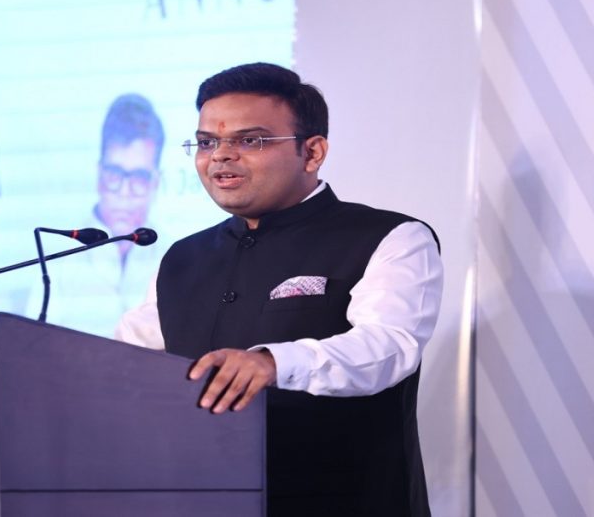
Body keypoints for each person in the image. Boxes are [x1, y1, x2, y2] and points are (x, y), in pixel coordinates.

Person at [115, 63, 443, 516]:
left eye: (250, 141)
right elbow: (125, 360)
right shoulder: (182, 258)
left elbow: (389, 347)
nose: (221, 156)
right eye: (207, 142)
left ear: (312, 152)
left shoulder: (390, 237)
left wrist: (272, 363)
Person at [28, 93, 166, 335]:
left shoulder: (175, 256)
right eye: (115, 174)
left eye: (139, 178)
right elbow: (34, 344)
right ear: (99, 175)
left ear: (156, 182)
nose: (124, 192)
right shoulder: (58, 257)